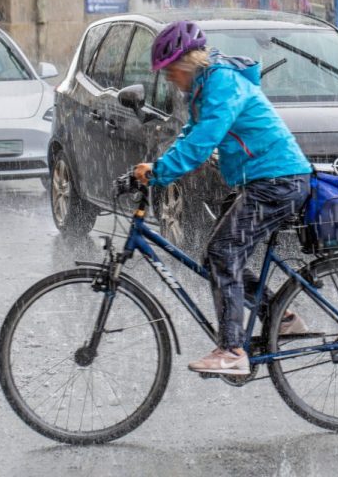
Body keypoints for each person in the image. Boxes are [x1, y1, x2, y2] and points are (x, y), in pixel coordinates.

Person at [133, 20, 313, 376]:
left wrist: (160, 172)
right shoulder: (204, 87)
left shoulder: (223, 83)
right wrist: (156, 167)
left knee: (224, 253)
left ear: (187, 64)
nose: (169, 79)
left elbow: (204, 141)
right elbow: (191, 135)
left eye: (170, 71)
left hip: (278, 181)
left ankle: (232, 351)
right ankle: (282, 316)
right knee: (217, 255)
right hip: (261, 179)